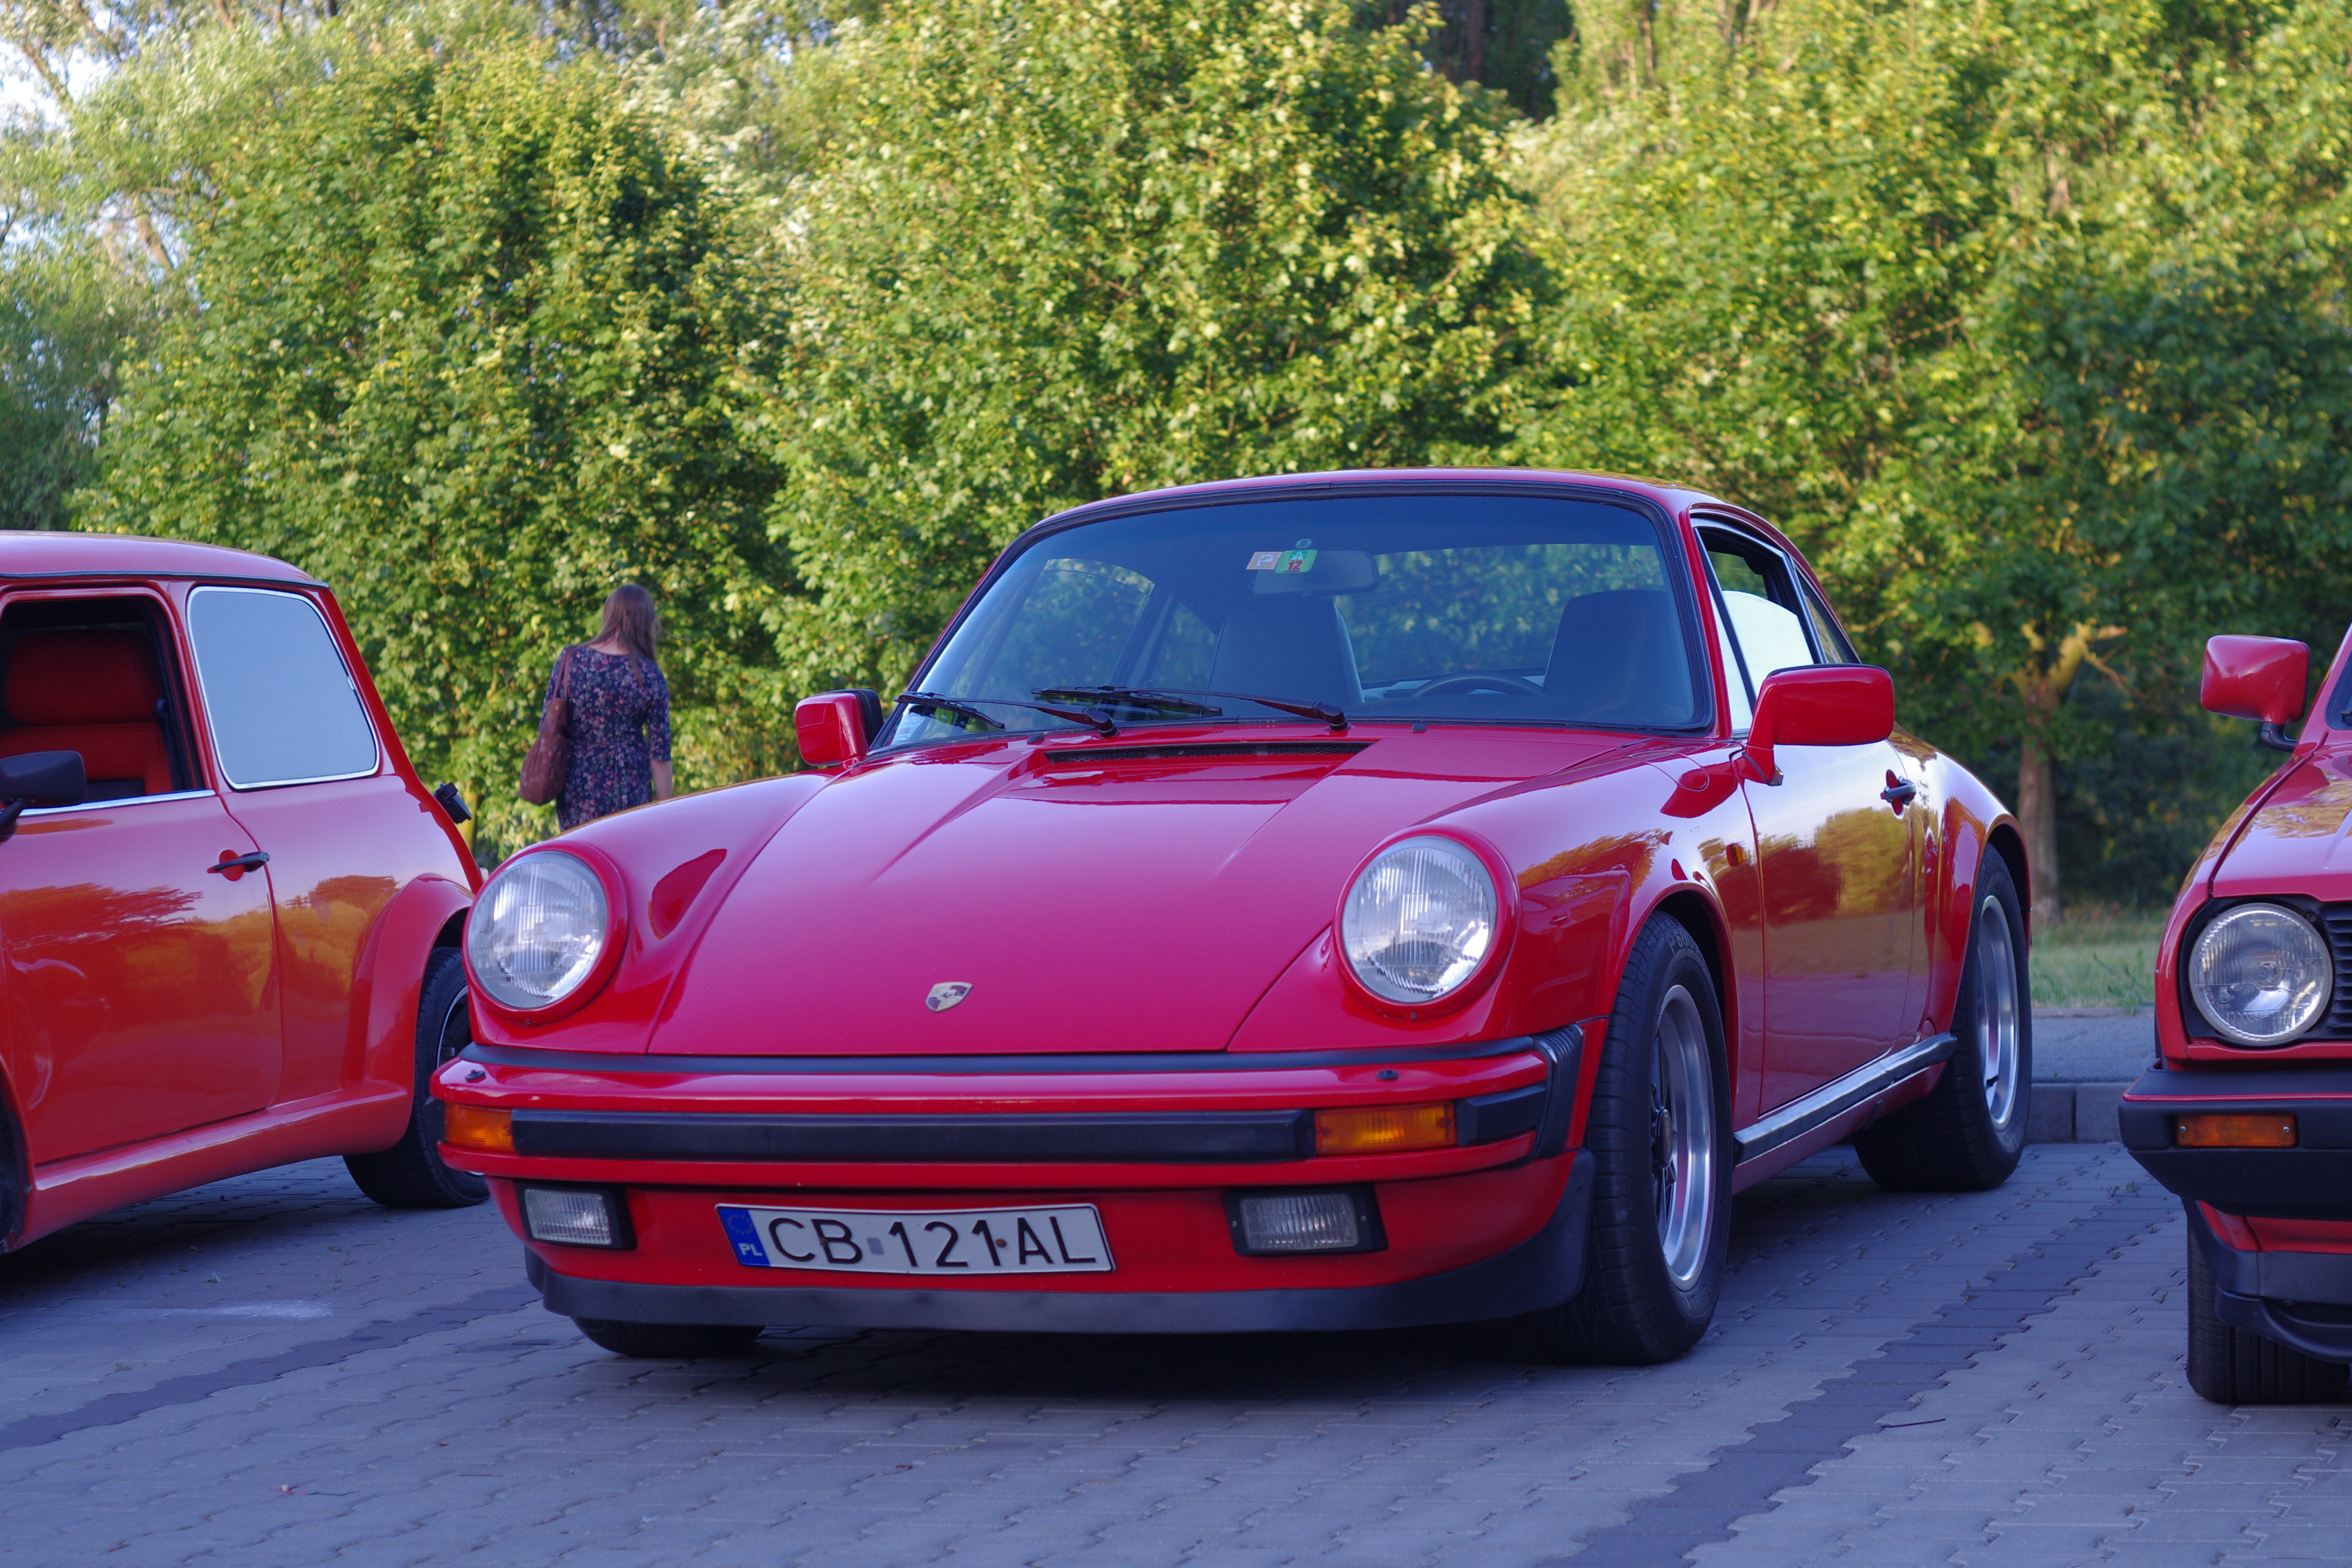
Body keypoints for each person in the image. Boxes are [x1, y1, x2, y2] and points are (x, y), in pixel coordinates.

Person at [545, 585, 673, 829]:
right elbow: (660, 755)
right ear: (646, 621)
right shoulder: (649, 674)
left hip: (577, 784)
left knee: (582, 849)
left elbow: (548, 722)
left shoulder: (572, 660)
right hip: (630, 786)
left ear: (608, 614)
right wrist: (666, 811)